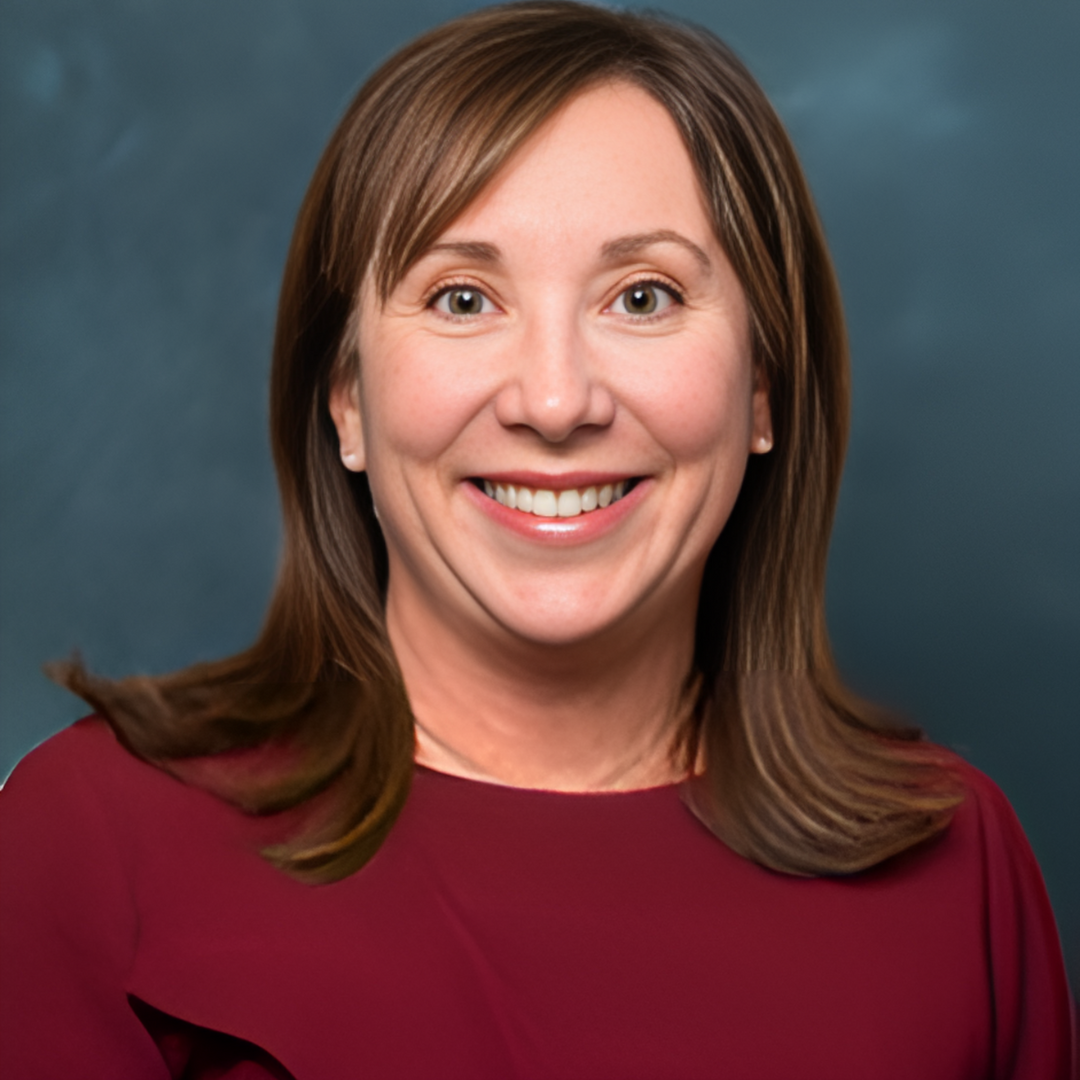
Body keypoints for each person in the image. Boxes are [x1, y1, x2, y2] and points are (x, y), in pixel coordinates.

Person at [0, 3, 1073, 1077]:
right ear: (346, 402)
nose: (556, 400)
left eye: (643, 297)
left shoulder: (958, 864)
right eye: (463, 298)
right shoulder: (91, 844)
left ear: (761, 389)